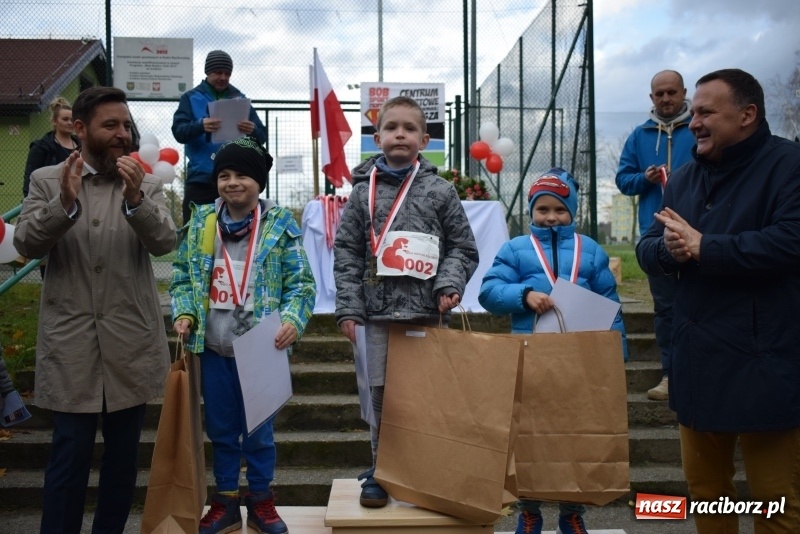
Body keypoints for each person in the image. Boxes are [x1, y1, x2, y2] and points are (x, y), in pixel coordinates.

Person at [637, 68, 800, 534]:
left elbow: (791, 241)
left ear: (747, 114)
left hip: (767, 366)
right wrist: (667, 250)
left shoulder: (789, 165)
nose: (694, 122)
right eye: (695, 113)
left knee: (777, 505)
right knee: (709, 500)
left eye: (707, 112)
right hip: (698, 368)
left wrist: (707, 247)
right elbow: (650, 246)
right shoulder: (683, 179)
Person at [13, 86, 176, 534]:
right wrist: (63, 204)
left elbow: (165, 242)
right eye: (111, 126)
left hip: (130, 341)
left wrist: (136, 199)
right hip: (72, 345)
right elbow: (25, 244)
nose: (122, 134)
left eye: (126, 125)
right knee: (69, 459)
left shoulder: (145, 181)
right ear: (81, 129)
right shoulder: (48, 179)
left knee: (122, 463)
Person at [333, 95, 479, 508]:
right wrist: (349, 308)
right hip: (376, 316)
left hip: (427, 315)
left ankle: (425, 471)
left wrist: (447, 285)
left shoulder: (440, 190)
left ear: (425, 139)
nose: (400, 133)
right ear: (376, 137)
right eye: (391, 127)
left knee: (427, 396)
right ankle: (381, 471)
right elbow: (346, 252)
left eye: (409, 128)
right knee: (380, 397)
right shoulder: (362, 194)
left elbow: (463, 248)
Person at [170, 136, 316, 534]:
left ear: (259, 182)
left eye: (243, 176)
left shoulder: (280, 226)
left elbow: (302, 284)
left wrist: (292, 319)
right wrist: (184, 311)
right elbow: (183, 275)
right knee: (220, 428)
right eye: (224, 175)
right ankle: (226, 502)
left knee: (259, 432)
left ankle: (262, 499)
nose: (233, 183)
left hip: (261, 348)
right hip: (214, 346)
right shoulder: (202, 222)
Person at [479, 168, 628, 534]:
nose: (550, 217)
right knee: (528, 437)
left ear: (572, 212)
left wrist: (614, 353)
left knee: (578, 435)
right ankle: (529, 511)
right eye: (542, 209)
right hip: (529, 360)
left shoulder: (589, 249)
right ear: (531, 211)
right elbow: (488, 292)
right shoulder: (515, 249)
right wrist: (523, 295)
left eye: (559, 210)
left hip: (582, 363)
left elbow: (610, 302)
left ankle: (573, 511)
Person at [615, 69, 695, 401]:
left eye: (671, 93)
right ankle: (670, 376)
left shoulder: (701, 128)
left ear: (683, 93)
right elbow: (623, 180)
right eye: (659, 94)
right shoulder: (639, 136)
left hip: (700, 230)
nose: (665, 99)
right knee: (665, 308)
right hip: (657, 237)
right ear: (651, 98)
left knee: (703, 304)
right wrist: (645, 178)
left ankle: (700, 374)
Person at [172, 49, 267, 225]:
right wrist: (200, 125)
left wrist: (251, 128)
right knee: (195, 229)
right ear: (207, 72)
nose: (223, 77)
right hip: (201, 177)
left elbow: (262, 135)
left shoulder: (240, 99)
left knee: (236, 231)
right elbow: (178, 131)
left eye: (227, 73)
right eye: (218, 72)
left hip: (235, 178)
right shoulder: (190, 98)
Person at [23, 96, 81, 198]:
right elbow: (30, 180)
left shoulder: (82, 145)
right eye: (65, 119)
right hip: (50, 198)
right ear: (55, 121)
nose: (70, 123)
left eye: (72, 120)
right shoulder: (41, 147)